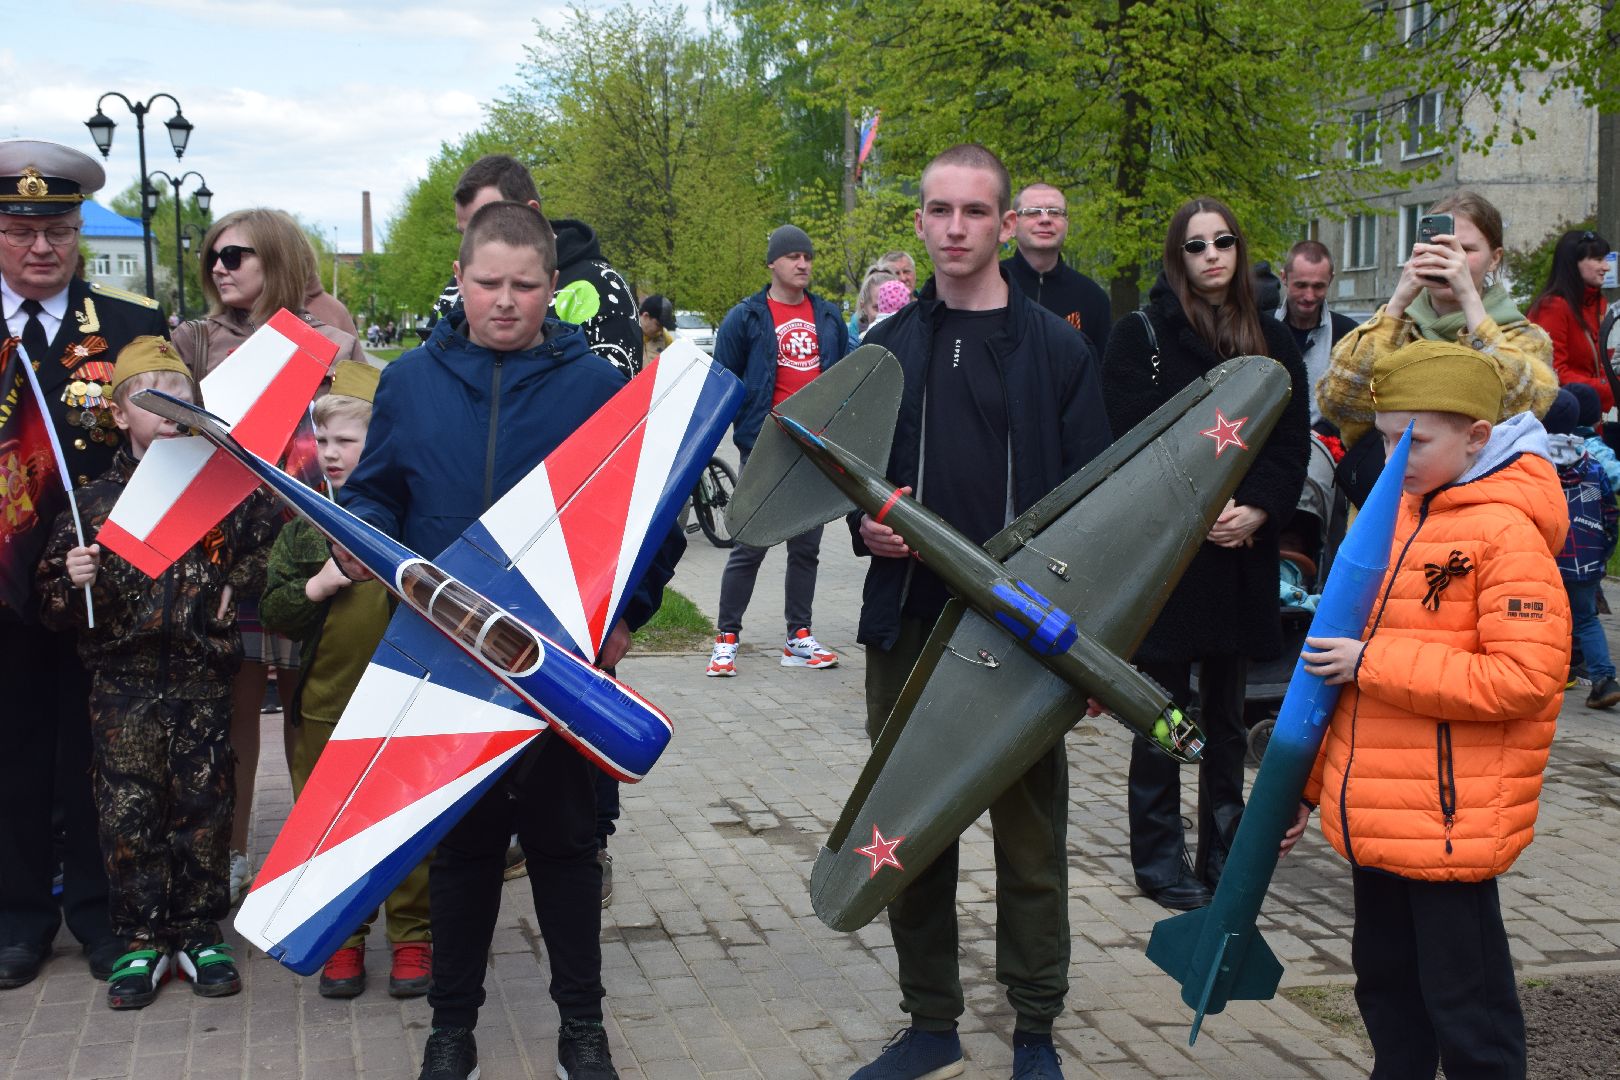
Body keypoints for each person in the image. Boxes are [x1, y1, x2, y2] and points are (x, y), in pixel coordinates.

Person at [339, 200, 680, 1080]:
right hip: (446, 661)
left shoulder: (597, 392)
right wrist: (359, 529)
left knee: (567, 852)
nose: (503, 301)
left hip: (555, 669)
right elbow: (378, 492)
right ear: (459, 281)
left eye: (523, 286)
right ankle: (451, 1031)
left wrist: (627, 614)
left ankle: (582, 1028)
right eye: (486, 282)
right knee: (461, 852)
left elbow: (654, 523)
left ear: (551, 291)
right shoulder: (409, 382)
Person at [849, 144, 1113, 1080]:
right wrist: (864, 528)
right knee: (909, 834)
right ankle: (930, 1023)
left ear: (1005, 224)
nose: (955, 228)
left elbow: (1095, 506)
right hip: (911, 625)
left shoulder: (1059, 349)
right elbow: (849, 477)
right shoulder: (884, 350)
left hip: (1024, 637)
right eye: (938, 211)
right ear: (919, 223)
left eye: (973, 212)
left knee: (1031, 842)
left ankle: (1035, 1026)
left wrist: (1086, 650)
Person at [1286, 339, 1569, 1079]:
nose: (1394, 455)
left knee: (1468, 1013)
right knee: (1387, 994)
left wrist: (1372, 663)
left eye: (1417, 438)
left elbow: (1523, 675)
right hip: (1376, 817)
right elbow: (1338, 681)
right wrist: (1307, 790)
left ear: (1478, 437)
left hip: (1448, 828)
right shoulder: (1394, 514)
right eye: (1385, 438)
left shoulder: (1508, 534)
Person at [36, 336, 276, 1009]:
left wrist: (240, 579)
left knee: (205, 809)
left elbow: (270, 536)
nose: (168, 406)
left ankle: (200, 933)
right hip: (123, 686)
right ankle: (140, 939)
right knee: (128, 814)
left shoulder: (223, 486)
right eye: (150, 395)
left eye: (181, 393)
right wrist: (69, 576)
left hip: (202, 679)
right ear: (119, 414)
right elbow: (55, 604)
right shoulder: (96, 502)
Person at [1102, 196, 1310, 911]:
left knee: (1225, 720)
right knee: (1160, 715)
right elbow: (1130, 445)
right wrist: (1198, 512)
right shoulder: (1144, 334)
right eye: (1196, 246)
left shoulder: (1274, 342)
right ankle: (1159, 858)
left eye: (1224, 241)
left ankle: (1224, 848)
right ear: (1177, 256)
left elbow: (1290, 442)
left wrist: (1257, 508)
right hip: (1171, 559)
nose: (1212, 255)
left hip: (1241, 555)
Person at [0, 139, 167, 991]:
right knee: (13, 752)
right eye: (20, 229)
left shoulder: (132, 324)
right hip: (3, 583)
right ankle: (18, 919)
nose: (41, 247)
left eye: (58, 229)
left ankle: (104, 914)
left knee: (100, 755)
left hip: (101, 581)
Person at [174, 206, 369, 909]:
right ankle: (230, 857)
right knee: (233, 715)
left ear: (277, 258)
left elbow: (369, 435)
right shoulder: (192, 340)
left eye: (238, 256)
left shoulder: (330, 344)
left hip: (308, 550)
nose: (222, 267)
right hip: (223, 551)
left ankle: (311, 856)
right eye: (215, 257)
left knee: (309, 711)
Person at [259, 361, 434, 1000]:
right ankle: (343, 937)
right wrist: (323, 580)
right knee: (329, 825)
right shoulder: (304, 526)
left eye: (347, 442)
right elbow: (276, 609)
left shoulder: (416, 524)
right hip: (326, 704)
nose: (331, 454)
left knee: (403, 818)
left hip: (402, 701)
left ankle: (414, 935)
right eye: (322, 441)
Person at [1318, 190, 1557, 506]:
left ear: (1495, 258)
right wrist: (1399, 302)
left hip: (1480, 513)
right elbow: (1339, 402)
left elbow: (1520, 408)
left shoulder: (1522, 337)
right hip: (1386, 512)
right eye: (1440, 247)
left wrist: (1471, 304)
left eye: (1466, 249)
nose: (1449, 259)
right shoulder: (1392, 325)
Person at [706, 224, 850, 678]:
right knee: (751, 543)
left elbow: (844, 376)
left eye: (807, 256)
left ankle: (798, 638)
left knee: (806, 547)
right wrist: (734, 430)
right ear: (772, 263)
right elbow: (721, 379)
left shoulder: (827, 316)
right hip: (767, 445)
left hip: (815, 447)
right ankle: (726, 638)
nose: (803, 263)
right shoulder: (746, 316)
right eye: (792, 256)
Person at [430, 154, 641, 377]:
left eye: (492, 223)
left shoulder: (601, 285)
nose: (477, 241)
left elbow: (616, 399)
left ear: (532, 211)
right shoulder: (456, 289)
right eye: (466, 233)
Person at [1541, 387, 1620, 708]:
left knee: (1542, 617)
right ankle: (1603, 679)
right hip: (1585, 559)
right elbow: (1609, 512)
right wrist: (1604, 551)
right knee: (1586, 618)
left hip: (1546, 555)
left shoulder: (1535, 462)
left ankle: (1548, 675)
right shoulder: (1592, 463)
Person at [1001, 182, 1112, 356]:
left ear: (1066, 225)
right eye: (1033, 212)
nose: (1045, 219)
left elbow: (1101, 374)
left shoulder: (1093, 298)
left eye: (1055, 212)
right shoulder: (989, 283)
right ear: (1012, 225)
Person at [1528, 229, 1614, 413]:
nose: (1607, 267)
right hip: (1565, 422)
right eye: (1599, 260)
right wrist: (1611, 389)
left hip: (1590, 416)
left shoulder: (1597, 305)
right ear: (1574, 264)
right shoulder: (1553, 307)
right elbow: (1553, 373)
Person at [1275, 240, 1359, 427]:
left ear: (1330, 280)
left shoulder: (1349, 335)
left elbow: (1355, 405)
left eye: (1318, 287)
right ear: (1284, 278)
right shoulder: (1259, 329)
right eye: (1301, 285)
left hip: (1328, 451)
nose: (1309, 296)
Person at [849, 266, 899, 340]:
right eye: (878, 308)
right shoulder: (855, 343)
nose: (886, 315)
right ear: (864, 307)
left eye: (892, 307)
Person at [638, 293, 676, 359]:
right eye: (658, 325)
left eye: (663, 326)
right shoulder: (627, 335)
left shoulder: (666, 339)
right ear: (646, 316)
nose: (661, 331)